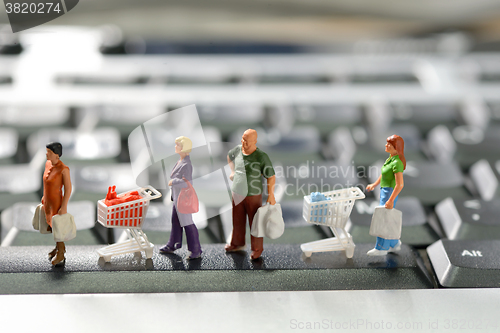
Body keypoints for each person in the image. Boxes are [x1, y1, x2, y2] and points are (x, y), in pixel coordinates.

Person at [225, 129, 276, 260]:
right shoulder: (237, 150)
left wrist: (271, 195)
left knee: (255, 222)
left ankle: (257, 249)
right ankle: (237, 243)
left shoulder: (261, 156)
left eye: (247, 140)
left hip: (253, 194)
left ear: (255, 141)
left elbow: (271, 176)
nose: (244, 142)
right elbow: (229, 156)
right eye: (242, 139)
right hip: (237, 192)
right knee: (237, 220)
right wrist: (232, 172)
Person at [159, 136, 202, 259]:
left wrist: (173, 181)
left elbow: (188, 183)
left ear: (184, 148)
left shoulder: (187, 164)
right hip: (176, 199)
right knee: (176, 222)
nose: (175, 147)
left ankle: (196, 250)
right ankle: (173, 244)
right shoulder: (180, 162)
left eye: (177, 145)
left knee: (187, 223)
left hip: (183, 200)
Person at [366, 135, 405, 256]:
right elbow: (383, 175)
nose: (386, 145)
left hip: (389, 193)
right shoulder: (390, 159)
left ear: (396, 147)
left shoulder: (397, 163)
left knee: (382, 219)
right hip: (384, 191)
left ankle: (381, 248)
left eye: (389, 144)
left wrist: (391, 200)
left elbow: (400, 185)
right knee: (386, 219)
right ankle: (394, 244)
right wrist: (374, 184)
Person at [43, 142, 72, 265]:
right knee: (52, 227)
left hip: (57, 204)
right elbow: (46, 184)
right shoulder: (48, 164)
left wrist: (64, 206)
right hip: (48, 202)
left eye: (49, 152)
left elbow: (68, 188)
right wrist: (44, 197)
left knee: (58, 228)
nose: (46, 154)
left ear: (57, 155)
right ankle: (58, 247)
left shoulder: (63, 169)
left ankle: (61, 253)